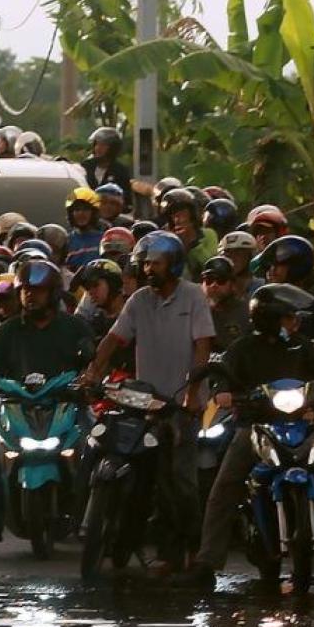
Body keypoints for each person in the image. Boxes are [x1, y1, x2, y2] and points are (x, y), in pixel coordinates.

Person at [88, 231, 215, 572]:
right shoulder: (139, 300)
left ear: (172, 264)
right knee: (142, 476)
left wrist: (191, 393)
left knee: (180, 481)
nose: (148, 269)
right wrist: (92, 374)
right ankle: (122, 546)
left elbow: (202, 346)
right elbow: (113, 340)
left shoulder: (193, 297)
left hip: (180, 405)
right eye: (144, 263)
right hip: (142, 401)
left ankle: (187, 549)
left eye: (155, 263)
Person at [192, 283, 314, 583]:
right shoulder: (243, 348)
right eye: (287, 317)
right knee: (225, 485)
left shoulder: (300, 345)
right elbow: (222, 376)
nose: (294, 322)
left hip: (300, 425)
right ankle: (207, 562)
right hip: (255, 427)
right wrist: (223, 392)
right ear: (270, 318)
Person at [0, 260, 98, 560]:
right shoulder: (6, 331)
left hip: (67, 404)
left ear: (53, 293)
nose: (30, 297)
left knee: (98, 451)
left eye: (37, 291)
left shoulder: (74, 327)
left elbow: (91, 362)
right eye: (25, 291)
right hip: (16, 405)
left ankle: (99, 528)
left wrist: (88, 379)